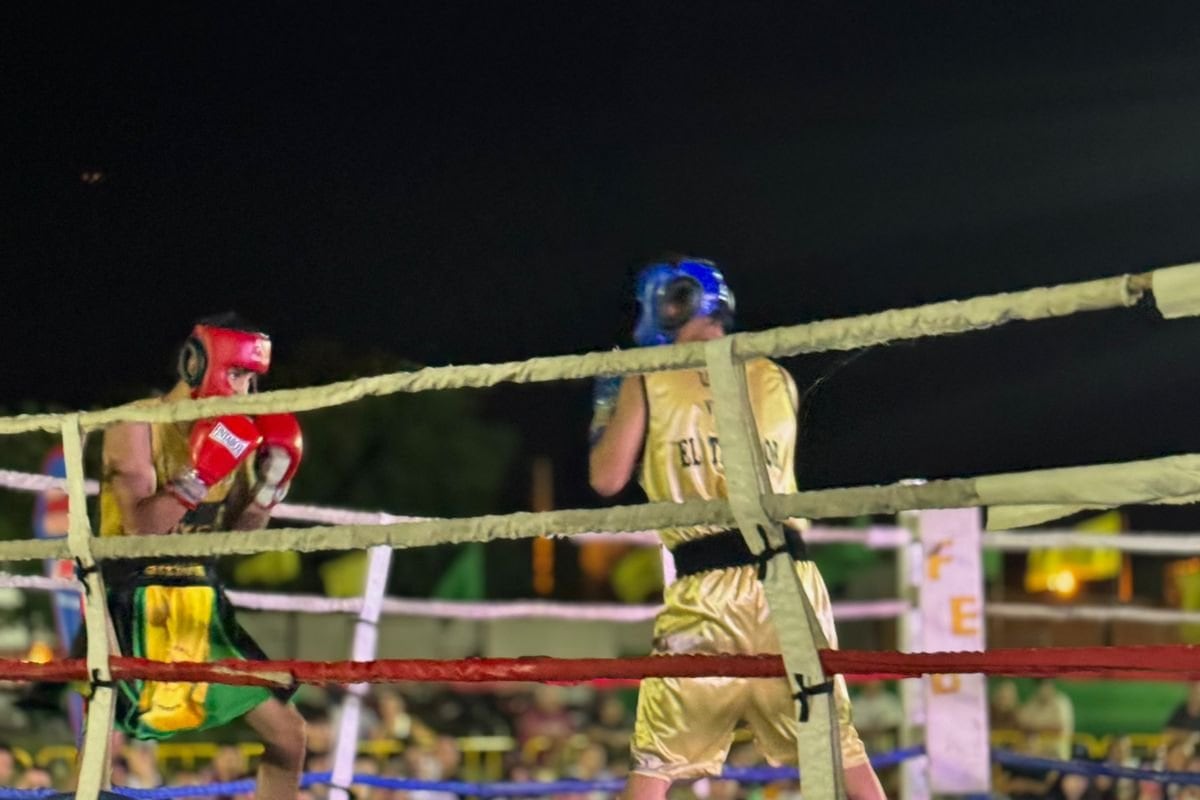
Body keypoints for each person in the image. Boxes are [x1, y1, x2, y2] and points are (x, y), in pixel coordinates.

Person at [588, 256, 885, 800]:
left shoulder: (648, 377)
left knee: (655, 764)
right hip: (791, 581)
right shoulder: (777, 377)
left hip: (710, 582)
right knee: (839, 746)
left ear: (670, 304)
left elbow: (606, 479)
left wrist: (609, 403)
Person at [90, 313, 306, 800]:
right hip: (134, 595)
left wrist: (271, 488)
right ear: (197, 363)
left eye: (253, 379)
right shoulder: (136, 423)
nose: (247, 391)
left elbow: (237, 536)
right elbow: (141, 528)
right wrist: (200, 474)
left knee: (288, 735)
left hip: (202, 601)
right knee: (105, 726)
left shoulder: (235, 431)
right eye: (238, 374)